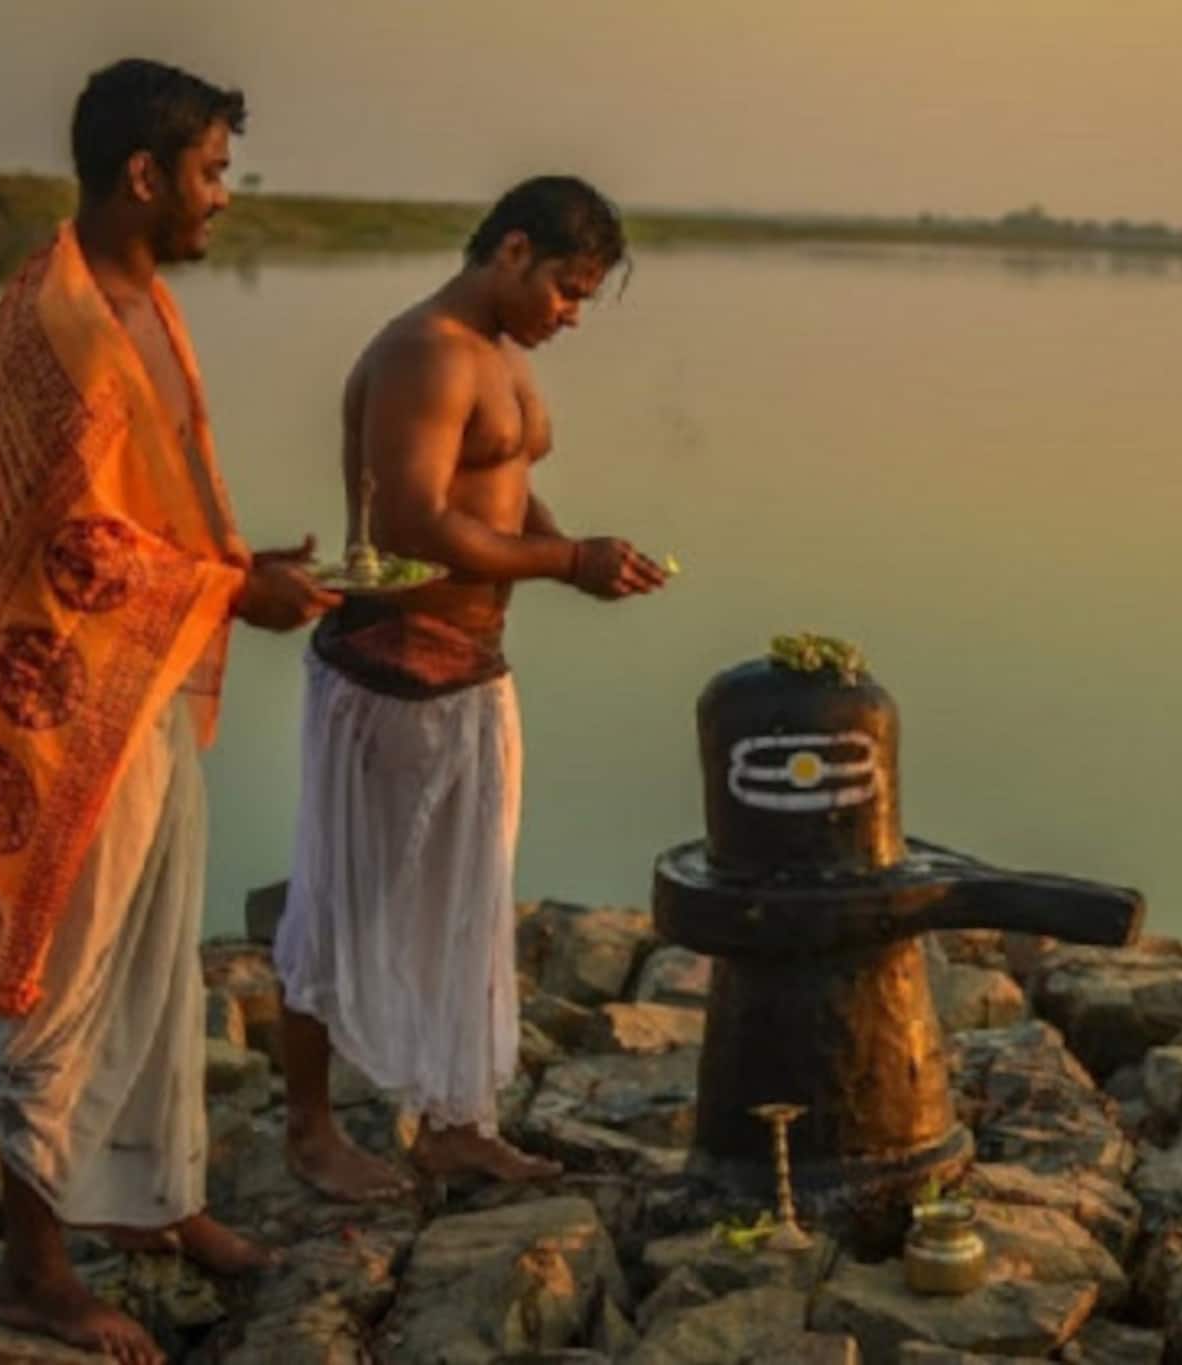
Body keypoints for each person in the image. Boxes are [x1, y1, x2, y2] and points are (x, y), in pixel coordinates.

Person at [0, 57, 337, 1363]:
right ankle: (34, 1273)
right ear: (143, 174)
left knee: (159, 957)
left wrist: (236, 566)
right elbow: (75, 548)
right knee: (58, 977)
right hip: (62, 703)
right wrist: (232, 592)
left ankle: (154, 1198)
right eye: (211, 172)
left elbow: (140, 515)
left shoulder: (140, 302)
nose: (223, 195)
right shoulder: (58, 317)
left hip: (142, 680)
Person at [275, 176, 666, 1200]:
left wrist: (575, 552)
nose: (570, 315)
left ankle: (455, 1122)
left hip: (473, 669)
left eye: (584, 298)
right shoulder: (426, 350)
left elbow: (502, 487)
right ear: (513, 251)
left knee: (468, 898)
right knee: (342, 902)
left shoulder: (498, 354)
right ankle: (310, 1132)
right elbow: (409, 522)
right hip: (390, 668)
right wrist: (568, 561)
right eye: (567, 290)